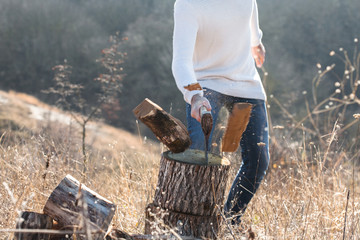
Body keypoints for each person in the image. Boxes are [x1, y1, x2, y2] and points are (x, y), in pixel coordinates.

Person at [171, 0, 270, 224]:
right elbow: (181, 61)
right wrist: (195, 96)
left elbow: (251, 15)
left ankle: (227, 224)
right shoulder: (188, 5)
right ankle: (189, 225)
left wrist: (256, 42)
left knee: (258, 159)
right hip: (206, 86)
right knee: (201, 154)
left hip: (246, 88)